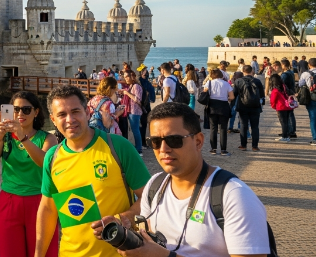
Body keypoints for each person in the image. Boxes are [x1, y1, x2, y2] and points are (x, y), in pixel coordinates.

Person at [112, 102, 271, 256]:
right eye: (155, 142)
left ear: (198, 141)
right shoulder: (155, 185)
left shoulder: (234, 196)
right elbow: (150, 236)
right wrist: (125, 224)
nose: (163, 149)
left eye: (174, 140)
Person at [36, 85, 151, 257]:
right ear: (53, 119)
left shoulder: (118, 147)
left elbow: (150, 197)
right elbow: (48, 209)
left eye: (75, 111)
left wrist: (123, 219)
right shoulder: (52, 157)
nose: (70, 119)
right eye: (62, 114)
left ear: (88, 112)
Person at [0, 91, 59, 257]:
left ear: (36, 112)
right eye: (16, 109)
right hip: (9, 203)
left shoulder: (47, 138)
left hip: (40, 202)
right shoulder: (6, 138)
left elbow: (43, 162)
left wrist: (22, 137)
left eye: (26, 110)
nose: (20, 114)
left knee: (43, 253)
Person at [201, 69, 235, 156]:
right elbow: (232, 97)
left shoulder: (209, 83)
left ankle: (213, 149)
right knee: (223, 128)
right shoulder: (226, 84)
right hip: (224, 106)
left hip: (212, 106)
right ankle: (223, 150)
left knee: (213, 128)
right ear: (221, 75)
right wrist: (226, 98)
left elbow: (204, 93)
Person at [233, 65, 265, 151]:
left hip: (243, 106)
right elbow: (262, 95)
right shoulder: (257, 81)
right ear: (252, 71)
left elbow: (234, 94)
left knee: (243, 126)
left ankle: (243, 145)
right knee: (255, 127)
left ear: (243, 71)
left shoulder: (238, 81)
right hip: (255, 106)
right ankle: (255, 146)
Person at [120, 70, 144, 156]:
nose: (125, 78)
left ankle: (139, 149)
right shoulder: (131, 85)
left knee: (136, 130)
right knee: (134, 130)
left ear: (132, 77)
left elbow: (138, 100)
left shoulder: (136, 86)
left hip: (135, 111)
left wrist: (127, 93)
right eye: (125, 77)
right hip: (131, 110)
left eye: (127, 76)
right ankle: (138, 147)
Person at [267, 74, 294, 143]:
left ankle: (284, 137)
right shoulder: (284, 86)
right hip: (287, 106)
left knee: (283, 122)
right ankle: (286, 135)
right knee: (286, 122)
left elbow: (273, 100)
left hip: (280, 107)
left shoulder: (275, 90)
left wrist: (273, 106)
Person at [299, 58, 316, 146]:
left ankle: (315, 138)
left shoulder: (305, 74)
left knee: (313, 118)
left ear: (309, 65)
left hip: (311, 97)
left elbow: (301, 84)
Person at [279, 59, 297, 139]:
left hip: (286, 95)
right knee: (290, 113)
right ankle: (291, 130)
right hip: (291, 93)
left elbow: (281, 84)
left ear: (283, 65)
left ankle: (289, 131)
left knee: (287, 114)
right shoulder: (291, 72)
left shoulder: (284, 75)